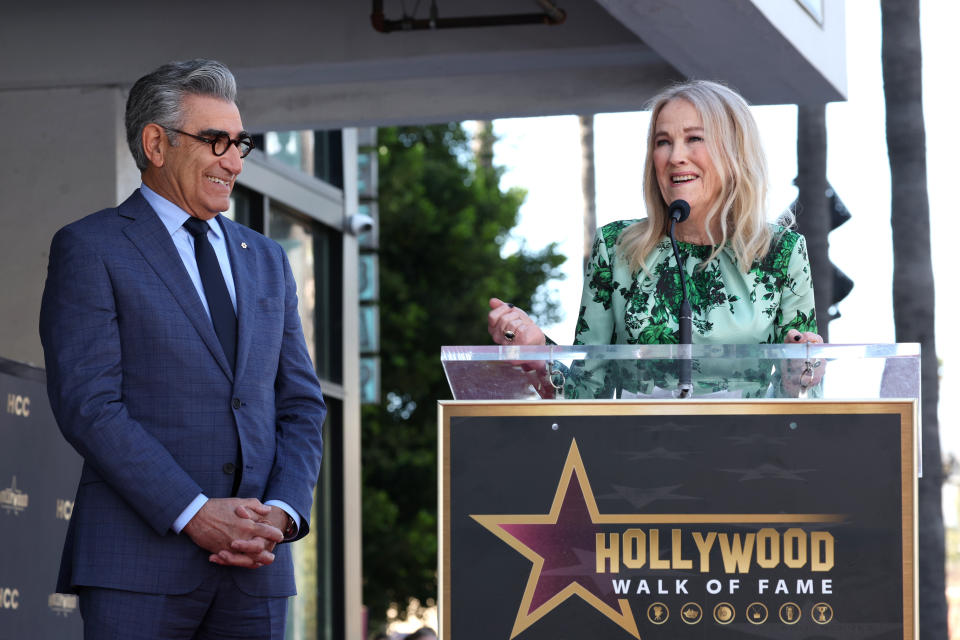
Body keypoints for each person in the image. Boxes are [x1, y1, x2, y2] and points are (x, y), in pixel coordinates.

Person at [39, 59, 325, 638]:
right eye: (216, 141)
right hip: (137, 564)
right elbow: (89, 405)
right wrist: (193, 512)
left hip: (258, 565)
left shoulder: (267, 258)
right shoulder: (90, 247)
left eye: (240, 143)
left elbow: (300, 404)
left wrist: (283, 513)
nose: (234, 161)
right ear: (156, 143)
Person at [487, 80, 823, 396]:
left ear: (735, 151)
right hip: (637, 450)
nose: (675, 156)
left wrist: (801, 375)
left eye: (694, 138)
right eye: (663, 142)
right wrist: (537, 352)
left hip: (748, 450)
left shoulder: (782, 253)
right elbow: (589, 391)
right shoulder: (616, 247)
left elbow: (799, 397)